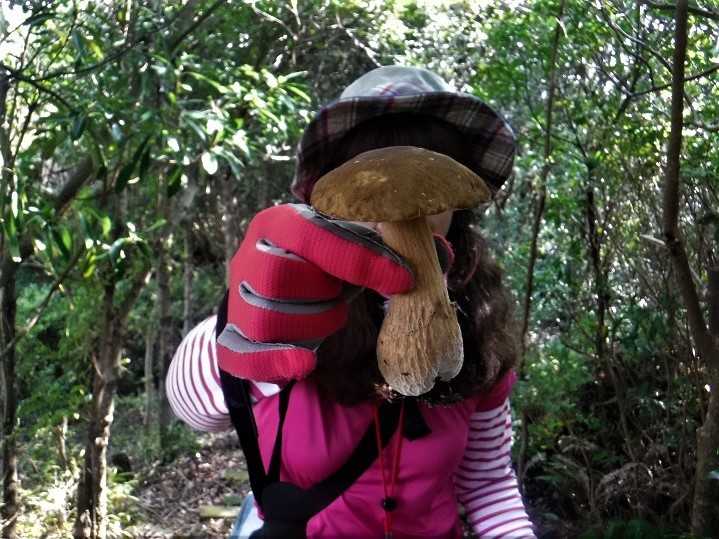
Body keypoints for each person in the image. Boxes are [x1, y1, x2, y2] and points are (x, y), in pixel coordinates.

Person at [167, 65, 536, 539]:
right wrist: (242, 323)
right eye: (371, 178)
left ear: (457, 203)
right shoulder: (297, 313)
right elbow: (195, 411)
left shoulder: (478, 326)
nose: (398, 199)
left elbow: (487, 483)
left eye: (426, 174)